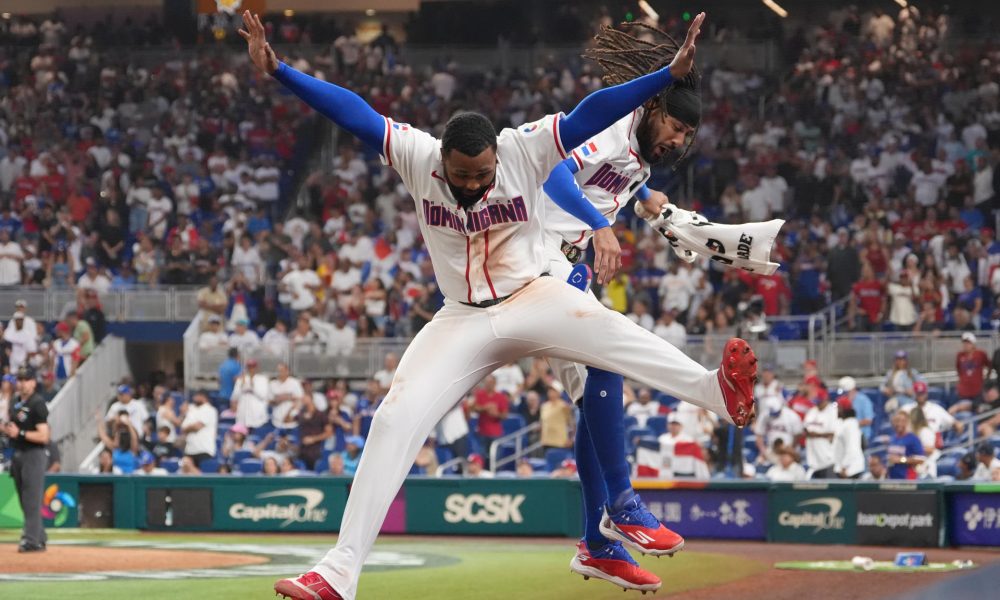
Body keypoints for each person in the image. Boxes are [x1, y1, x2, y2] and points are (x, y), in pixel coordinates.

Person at [244, 13, 754, 600]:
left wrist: (665, 75)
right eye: (462, 176)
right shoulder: (418, 155)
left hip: (534, 292)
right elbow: (354, 112)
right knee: (393, 420)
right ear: (445, 163)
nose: (472, 184)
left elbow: (593, 109)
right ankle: (337, 573)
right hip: (461, 317)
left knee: (611, 338)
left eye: (481, 174)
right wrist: (281, 71)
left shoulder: (520, 151)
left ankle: (715, 395)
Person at [4, 367, 50, 552]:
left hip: (34, 454)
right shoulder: (15, 401)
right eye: (20, 379)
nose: (22, 383)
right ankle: (40, 535)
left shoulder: (37, 403)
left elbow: (44, 436)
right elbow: (14, 426)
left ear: (33, 382)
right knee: (24, 499)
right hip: (18, 453)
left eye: (26, 379)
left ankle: (30, 540)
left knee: (31, 499)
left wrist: (20, 433)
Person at [803, 383, 838, 478]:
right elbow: (806, 430)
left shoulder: (833, 412)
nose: (817, 404)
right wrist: (820, 435)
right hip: (813, 460)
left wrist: (815, 434)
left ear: (825, 399)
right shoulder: (812, 411)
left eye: (819, 402)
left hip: (828, 460)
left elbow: (834, 434)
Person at [951, 332, 991, 413]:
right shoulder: (960, 355)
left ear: (973, 344)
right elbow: (958, 369)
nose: (966, 345)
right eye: (964, 343)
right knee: (963, 412)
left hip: (977, 390)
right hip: (963, 391)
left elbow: (989, 365)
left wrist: (986, 378)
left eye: (968, 343)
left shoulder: (981, 354)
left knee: (977, 410)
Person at [180, 391, 218, 469]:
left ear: (203, 397)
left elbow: (197, 427)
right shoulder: (192, 410)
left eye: (197, 396)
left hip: (204, 449)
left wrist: (189, 427)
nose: (194, 398)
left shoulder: (210, 410)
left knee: (203, 478)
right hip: (190, 449)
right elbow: (183, 428)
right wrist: (190, 427)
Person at [832, 398, 865, 479]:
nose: (837, 410)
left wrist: (845, 467)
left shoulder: (850, 425)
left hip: (850, 469)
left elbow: (852, 447)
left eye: (839, 408)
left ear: (843, 409)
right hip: (843, 467)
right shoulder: (844, 423)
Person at [886, 411, 925, 480]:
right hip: (892, 478)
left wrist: (901, 460)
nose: (899, 424)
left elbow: (921, 459)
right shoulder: (893, 439)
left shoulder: (913, 439)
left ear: (907, 422)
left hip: (907, 478)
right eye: (896, 421)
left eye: (902, 421)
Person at [836, 376, 873, 444]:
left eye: (847, 392)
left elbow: (868, 420)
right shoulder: (842, 401)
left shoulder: (863, 400)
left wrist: (851, 425)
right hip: (847, 436)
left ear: (853, 389)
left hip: (861, 436)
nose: (845, 394)